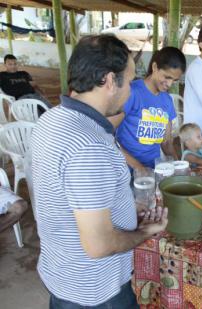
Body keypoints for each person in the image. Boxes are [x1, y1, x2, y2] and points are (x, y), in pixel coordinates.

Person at [30, 35, 168, 308]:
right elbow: (99, 245)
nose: (130, 91)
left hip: (64, 277)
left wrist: (126, 216)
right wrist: (145, 232)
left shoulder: (52, 119)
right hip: (96, 292)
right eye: (128, 81)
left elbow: (71, 198)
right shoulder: (88, 145)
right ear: (108, 80)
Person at [110, 46, 185, 170]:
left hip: (152, 169)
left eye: (175, 80)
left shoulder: (166, 100)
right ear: (155, 67)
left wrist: (179, 168)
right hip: (126, 170)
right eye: (167, 77)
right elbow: (108, 135)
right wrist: (139, 168)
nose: (170, 84)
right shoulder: (132, 92)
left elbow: (166, 143)